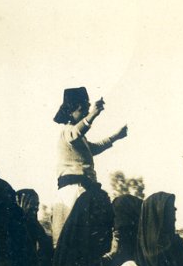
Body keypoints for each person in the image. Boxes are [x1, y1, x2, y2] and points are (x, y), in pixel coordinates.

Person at [51, 86, 128, 245]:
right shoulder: (67, 131)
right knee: (73, 236)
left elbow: (96, 147)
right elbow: (76, 132)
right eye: (82, 110)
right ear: (71, 112)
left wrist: (116, 136)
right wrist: (94, 114)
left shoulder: (81, 140)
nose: (85, 113)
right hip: (73, 191)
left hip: (84, 189)